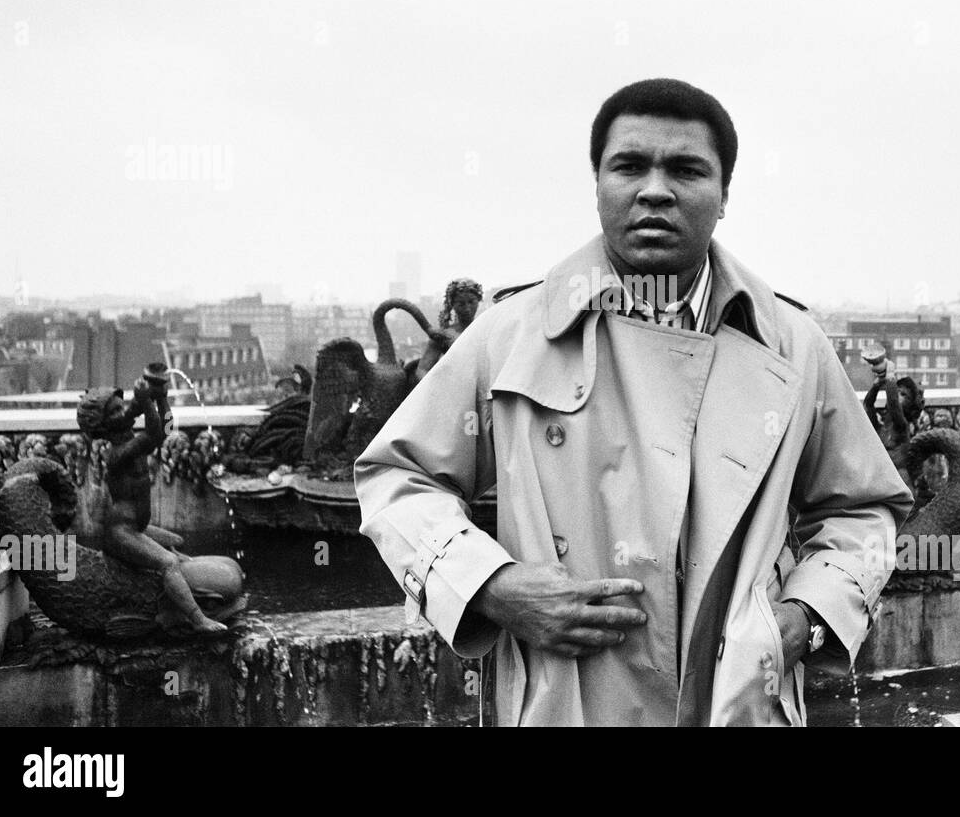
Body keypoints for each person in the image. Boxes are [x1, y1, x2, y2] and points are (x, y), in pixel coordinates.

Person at [356, 77, 913, 726]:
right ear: (599, 187)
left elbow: (863, 507)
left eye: (685, 169)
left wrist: (806, 618)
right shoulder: (513, 335)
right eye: (629, 167)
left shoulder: (794, 346)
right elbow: (398, 476)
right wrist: (491, 587)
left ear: (724, 195)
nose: (655, 189)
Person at [77, 367, 228, 634]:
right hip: (120, 532)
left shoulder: (127, 432)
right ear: (102, 426)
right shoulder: (118, 454)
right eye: (113, 412)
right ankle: (198, 619)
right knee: (168, 562)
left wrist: (161, 396)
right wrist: (148, 401)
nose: (121, 413)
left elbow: (167, 429)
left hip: (137, 527)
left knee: (177, 544)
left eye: (120, 407)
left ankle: (174, 603)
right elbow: (155, 435)